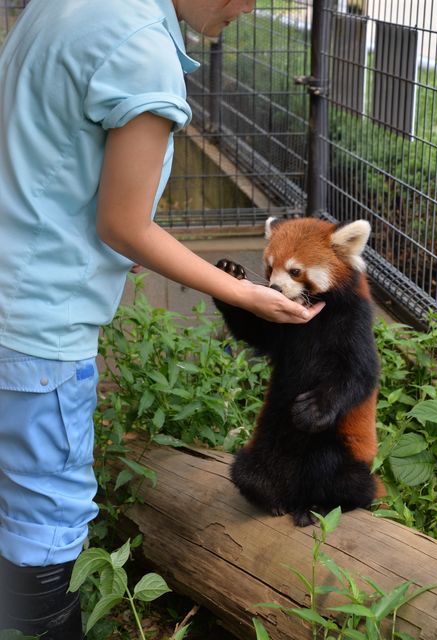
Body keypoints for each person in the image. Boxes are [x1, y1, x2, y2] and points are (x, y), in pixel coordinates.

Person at [0, 0, 324, 637]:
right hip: (37, 327)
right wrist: (247, 297)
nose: (255, 5)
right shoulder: (143, 52)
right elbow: (124, 224)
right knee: (46, 522)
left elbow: (46, 148)